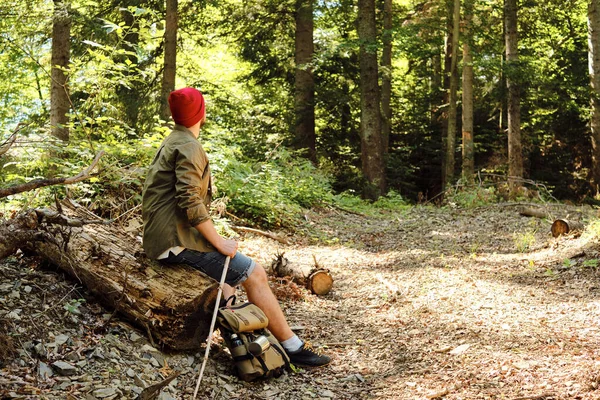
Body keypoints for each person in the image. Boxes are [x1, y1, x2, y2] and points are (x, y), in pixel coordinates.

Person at [142, 87, 330, 368]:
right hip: (173, 241)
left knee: (227, 284)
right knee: (253, 273)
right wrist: (218, 242)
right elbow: (189, 200)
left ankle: (249, 358)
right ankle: (293, 347)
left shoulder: (174, 140)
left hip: (164, 238)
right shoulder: (189, 146)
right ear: (200, 113)